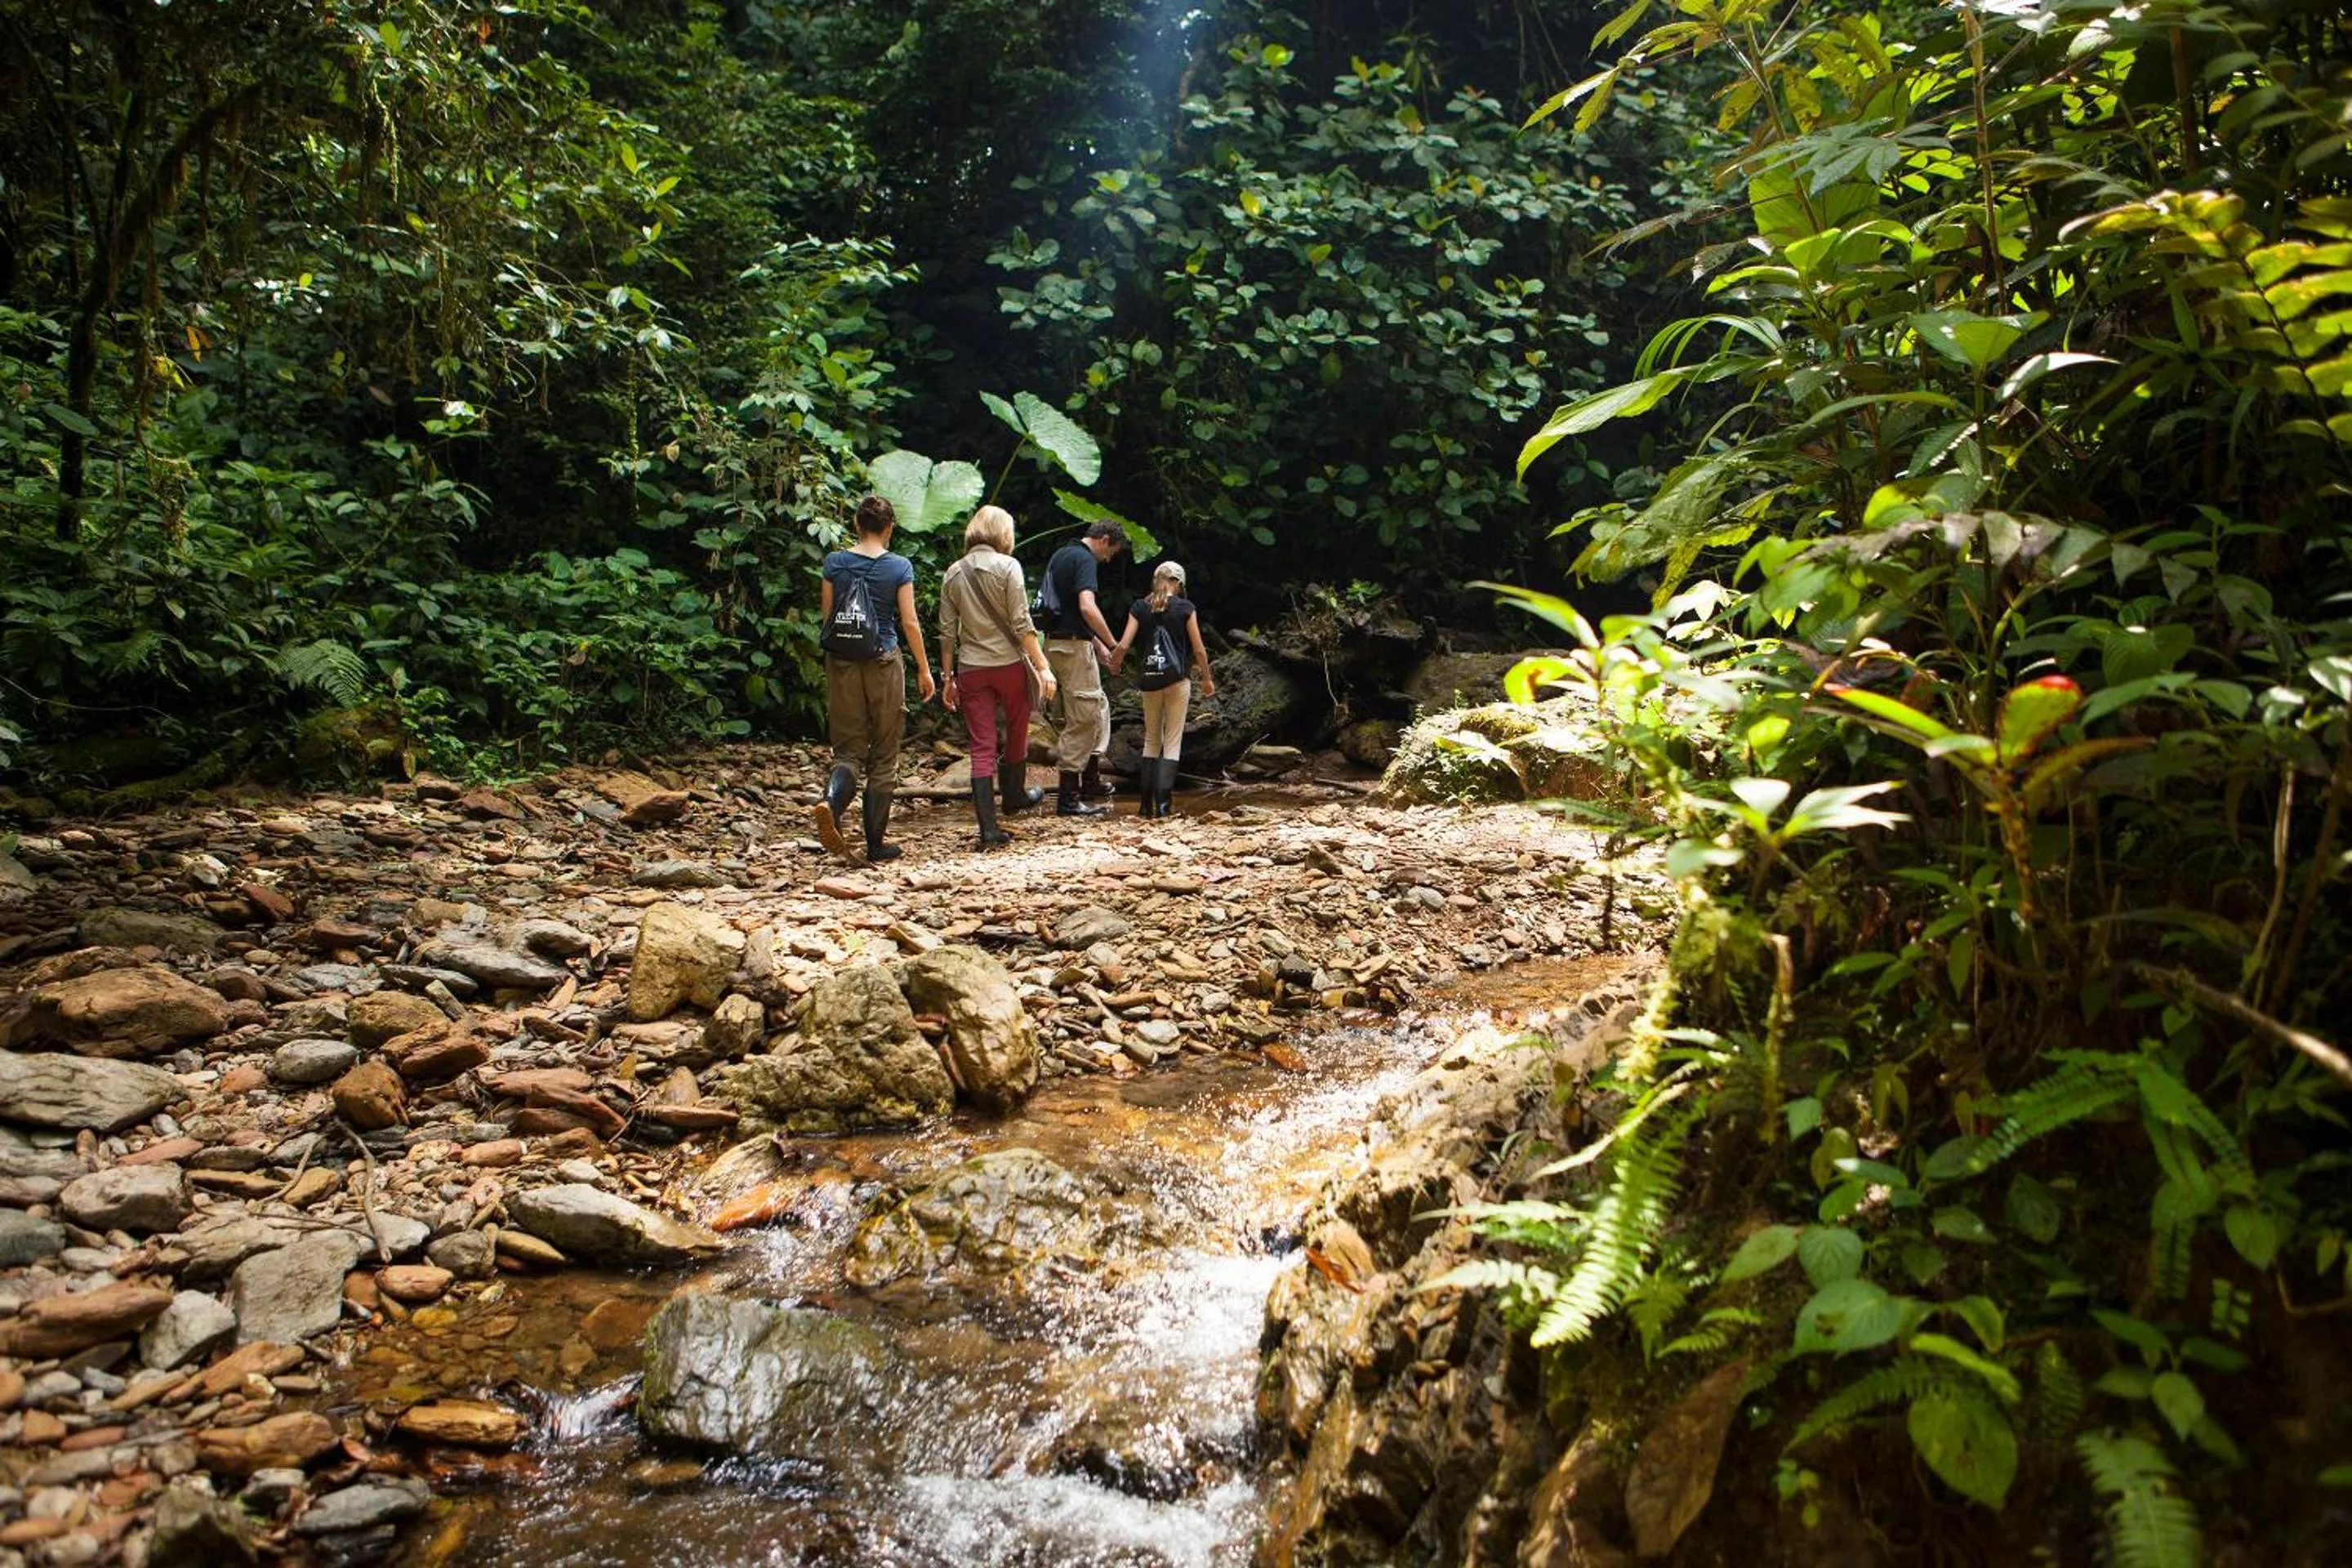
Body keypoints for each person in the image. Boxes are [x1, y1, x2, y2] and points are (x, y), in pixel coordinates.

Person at [814, 495, 934, 863]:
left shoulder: (835, 562)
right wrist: (924, 669)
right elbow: (910, 622)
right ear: (889, 528)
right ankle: (876, 844)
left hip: (843, 662)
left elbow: (827, 616)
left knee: (848, 750)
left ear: (856, 524)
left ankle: (832, 806)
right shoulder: (899, 566)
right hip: (883, 659)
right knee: (884, 754)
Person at [938, 505, 1059, 850]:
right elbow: (1022, 624)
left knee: (981, 748)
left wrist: (948, 677)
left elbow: (947, 632)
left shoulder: (953, 573)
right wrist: (1043, 666)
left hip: (972, 669)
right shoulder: (1008, 566)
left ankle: (988, 832)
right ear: (1003, 534)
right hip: (1008, 666)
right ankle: (1014, 796)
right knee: (1019, 725)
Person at [1038, 519, 1129, 815]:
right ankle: (1069, 798)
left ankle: (1089, 779)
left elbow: (1068, 611)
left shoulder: (1062, 554)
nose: (1109, 558)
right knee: (1084, 717)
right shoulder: (1085, 559)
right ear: (1103, 540)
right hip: (1072, 648)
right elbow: (1087, 608)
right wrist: (1114, 644)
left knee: (1096, 706)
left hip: (1056, 643)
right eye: (1111, 551)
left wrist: (1099, 647)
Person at [1109, 560, 1214, 817]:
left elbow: (1123, 644)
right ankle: (1164, 807)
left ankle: (1145, 806)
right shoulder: (1186, 608)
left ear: (1156, 580)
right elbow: (1198, 649)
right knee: (1172, 742)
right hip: (1177, 680)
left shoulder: (1139, 607)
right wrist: (1207, 679)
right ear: (1176, 583)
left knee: (1151, 740)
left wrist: (1115, 663)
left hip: (1150, 680)